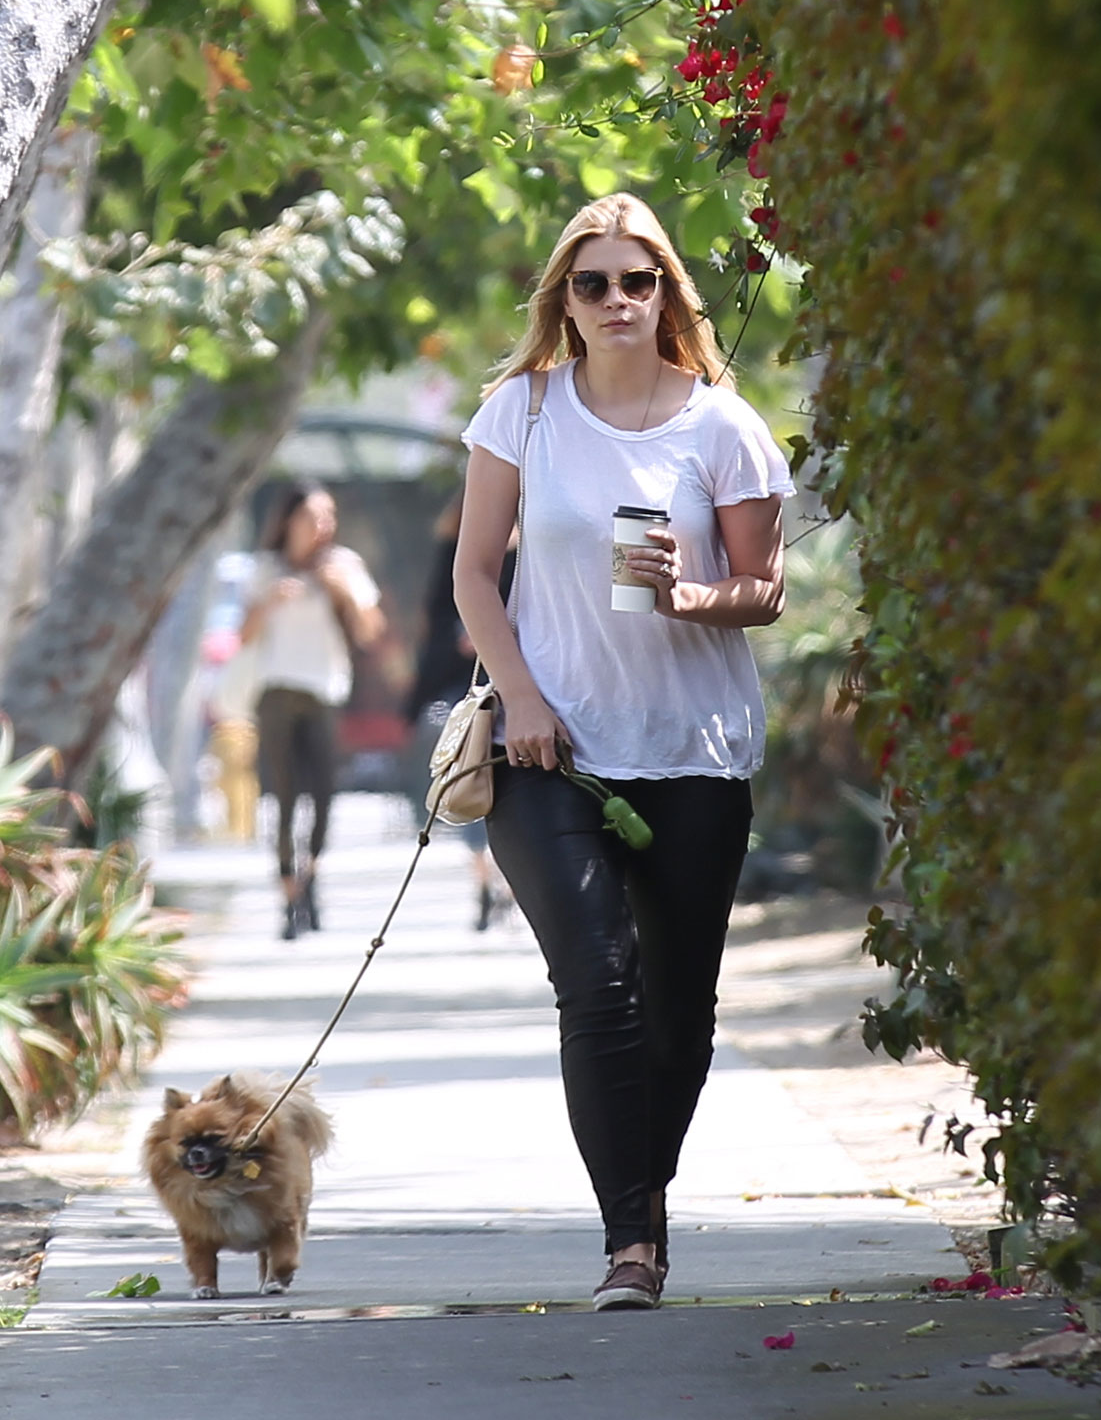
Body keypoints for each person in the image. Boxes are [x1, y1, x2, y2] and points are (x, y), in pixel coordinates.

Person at [453, 193, 795, 1310]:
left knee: (679, 1005)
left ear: (664, 296)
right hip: (550, 751)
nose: (613, 300)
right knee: (598, 987)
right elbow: (473, 574)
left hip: (693, 753)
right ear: (565, 299)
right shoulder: (523, 412)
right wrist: (522, 699)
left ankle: (645, 1202)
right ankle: (630, 1247)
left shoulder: (721, 426)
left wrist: (692, 593)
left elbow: (764, 591)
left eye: (634, 282)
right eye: (591, 283)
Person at [240, 484, 385, 939]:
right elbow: (242, 635)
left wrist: (342, 592)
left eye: (329, 515)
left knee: (323, 795)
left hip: (325, 690)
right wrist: (269, 603)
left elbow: (370, 631)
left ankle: (312, 878)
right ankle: (287, 894)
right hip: (278, 690)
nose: (323, 525)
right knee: (281, 796)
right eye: (313, 515)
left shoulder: (343, 565)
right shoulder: (265, 569)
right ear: (289, 520)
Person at [404, 490, 515, 931]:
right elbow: (434, 616)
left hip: (527, 683)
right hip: (466, 685)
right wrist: (462, 637)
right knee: (472, 778)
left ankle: (504, 884)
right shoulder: (456, 549)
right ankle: (485, 880)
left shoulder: (536, 550)